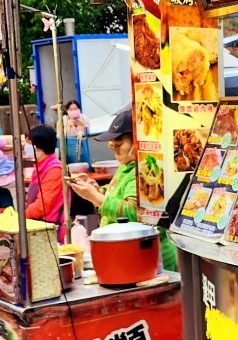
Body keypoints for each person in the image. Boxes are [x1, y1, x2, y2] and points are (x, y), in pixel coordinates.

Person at [68, 108, 177, 272]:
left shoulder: (145, 170)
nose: (115, 149)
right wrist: (98, 190)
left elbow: (133, 212)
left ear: (138, 141)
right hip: (126, 254)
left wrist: (96, 198)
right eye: (113, 145)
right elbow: (119, 195)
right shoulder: (126, 166)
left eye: (120, 144)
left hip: (148, 259)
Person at [25, 125, 66, 228]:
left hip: (51, 227)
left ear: (41, 147)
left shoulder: (54, 170)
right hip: (38, 223)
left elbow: (42, 205)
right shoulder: (40, 166)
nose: (26, 147)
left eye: (29, 143)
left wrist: (21, 217)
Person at [62, 100, 91, 166]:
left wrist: (83, 125)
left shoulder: (84, 118)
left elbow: (88, 133)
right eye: (71, 109)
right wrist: (69, 126)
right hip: (70, 146)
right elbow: (61, 135)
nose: (74, 111)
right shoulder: (63, 120)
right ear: (67, 111)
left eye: (76, 109)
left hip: (82, 146)